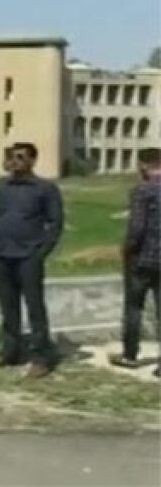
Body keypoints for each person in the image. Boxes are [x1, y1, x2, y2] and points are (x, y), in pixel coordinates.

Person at [0, 142, 64, 379]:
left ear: (31, 161)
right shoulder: (1, 186)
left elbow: (55, 223)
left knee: (35, 307)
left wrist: (41, 252)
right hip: (1, 254)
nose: (14, 161)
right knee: (8, 306)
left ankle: (41, 357)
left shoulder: (45, 189)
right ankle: (9, 351)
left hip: (29, 256)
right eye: (11, 157)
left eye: (19, 157)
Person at [109, 148, 160, 378]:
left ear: (144, 166)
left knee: (134, 308)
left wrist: (126, 249)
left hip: (142, 260)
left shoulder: (142, 191)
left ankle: (130, 355)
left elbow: (137, 228)